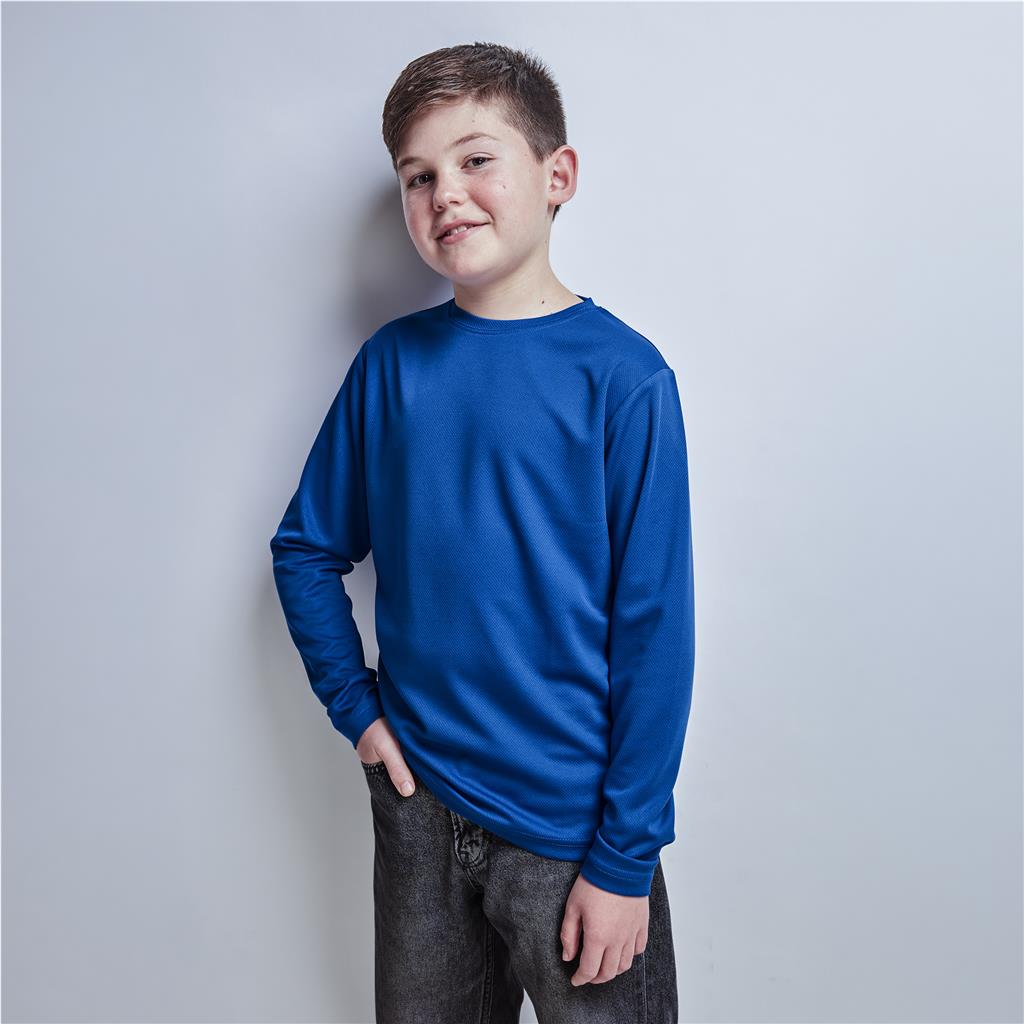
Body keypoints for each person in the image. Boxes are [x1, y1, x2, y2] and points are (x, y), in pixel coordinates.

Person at [270, 41, 695, 1024]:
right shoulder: (391, 368)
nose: (444, 194)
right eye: (417, 176)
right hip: (419, 808)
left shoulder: (624, 379)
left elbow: (655, 633)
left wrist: (624, 858)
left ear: (557, 176)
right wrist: (359, 713)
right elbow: (305, 549)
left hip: (571, 833)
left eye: (474, 160)